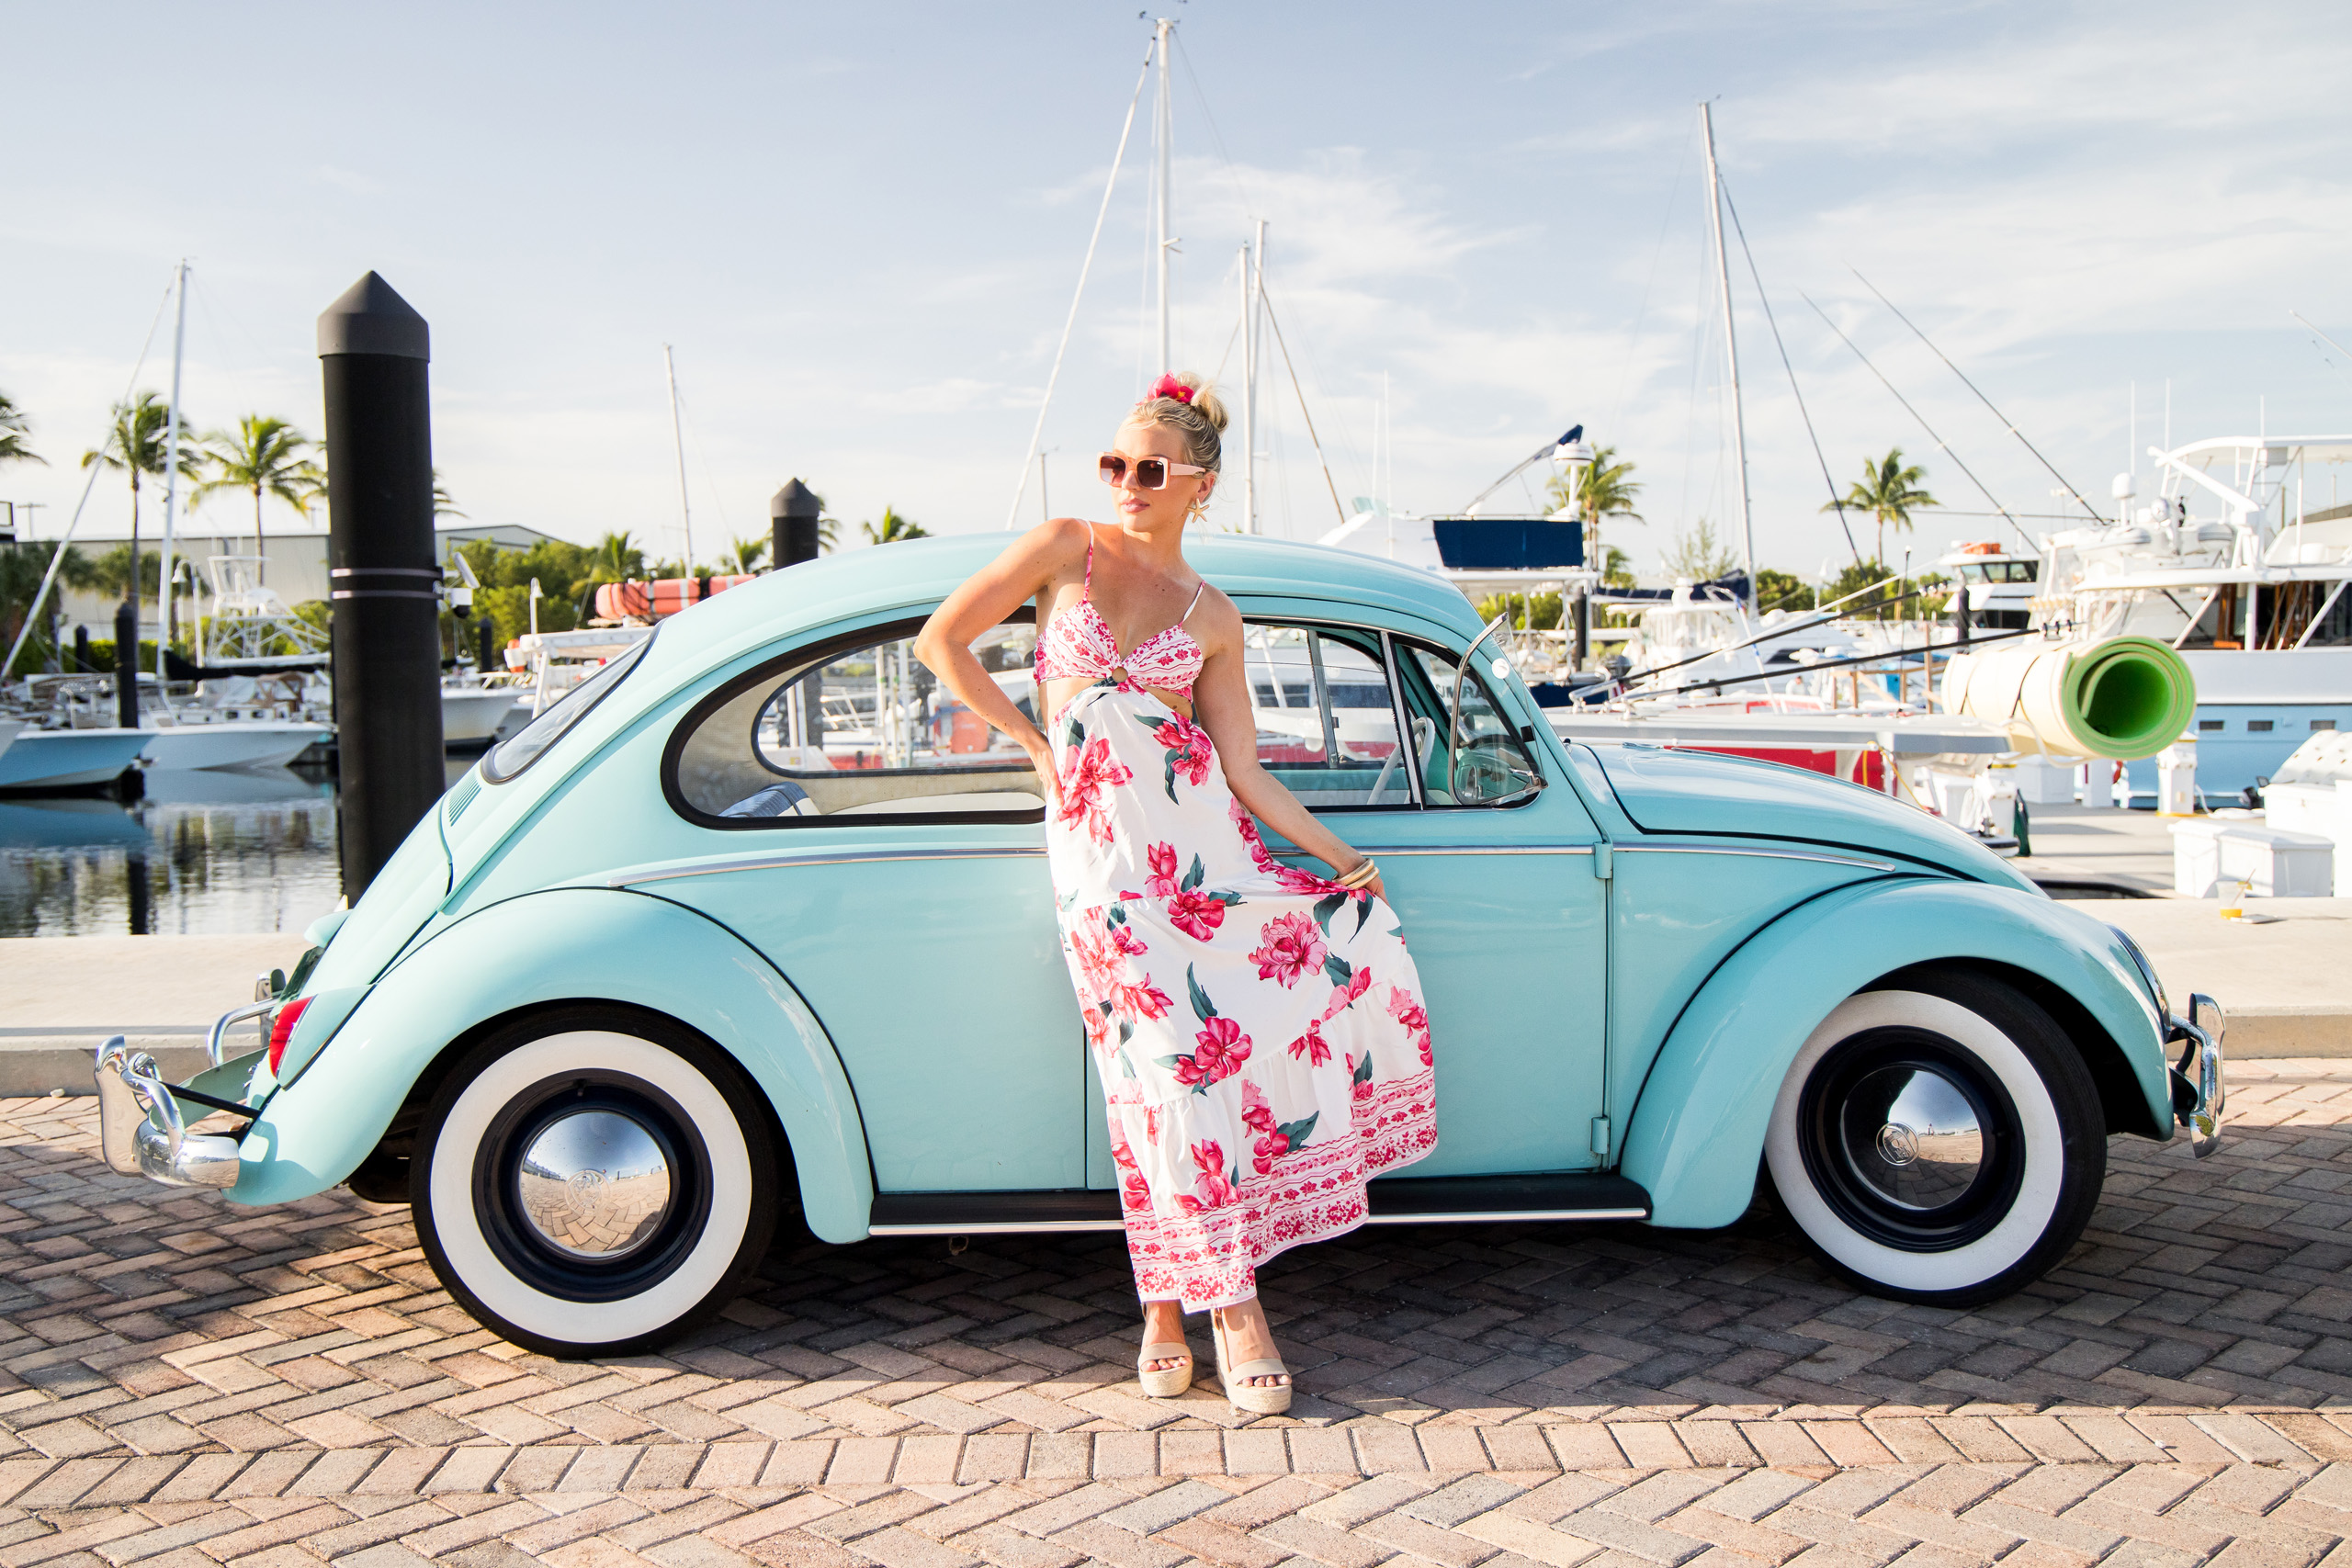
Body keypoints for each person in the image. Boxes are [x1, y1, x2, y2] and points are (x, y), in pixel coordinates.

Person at [916, 373, 1437, 1414]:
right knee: (1170, 1073)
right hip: (1102, 869)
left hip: (1200, 862)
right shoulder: (1067, 547)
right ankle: (1235, 1309)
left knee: (1171, 1085)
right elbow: (942, 644)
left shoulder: (1214, 616)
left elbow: (1243, 773)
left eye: (1147, 470)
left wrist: (1336, 858)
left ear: (1197, 485)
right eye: (1113, 464)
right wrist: (1030, 746)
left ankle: (1168, 1305)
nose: (1124, 484)